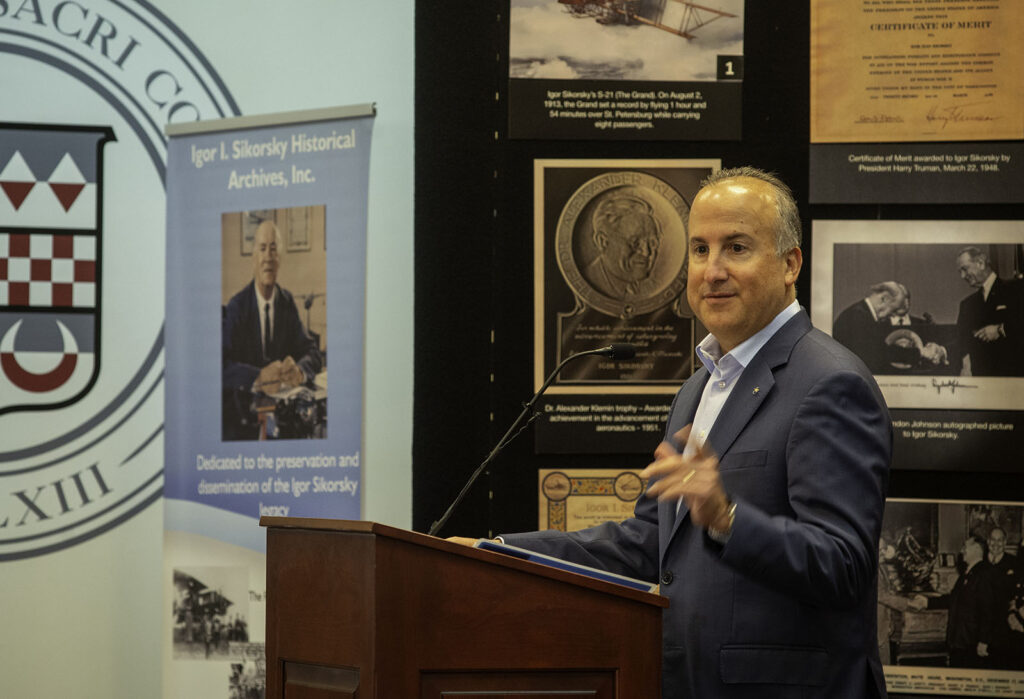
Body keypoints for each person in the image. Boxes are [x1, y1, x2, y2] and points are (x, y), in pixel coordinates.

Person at [453, 167, 892, 698]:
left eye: (736, 247)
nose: (713, 271)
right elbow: (651, 544)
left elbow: (843, 566)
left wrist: (727, 518)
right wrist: (499, 553)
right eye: (701, 250)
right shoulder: (698, 387)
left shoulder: (830, 383)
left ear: (789, 264)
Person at [222, 220, 323, 440]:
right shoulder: (237, 306)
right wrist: (257, 377)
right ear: (253, 258)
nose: (268, 256)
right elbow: (221, 365)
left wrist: (299, 370)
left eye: (274, 249)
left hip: (283, 423)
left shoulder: (286, 302)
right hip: (245, 425)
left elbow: (313, 352)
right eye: (262, 248)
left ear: (280, 260)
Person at [910, 535, 995, 668]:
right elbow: (953, 599)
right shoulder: (967, 573)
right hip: (960, 640)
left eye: (965, 547)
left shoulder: (984, 573)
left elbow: (988, 610)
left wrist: (984, 641)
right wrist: (927, 602)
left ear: (977, 549)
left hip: (971, 642)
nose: (962, 551)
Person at [954, 247, 1024, 376]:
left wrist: (1001, 329)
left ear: (980, 263)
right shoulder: (966, 305)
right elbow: (960, 342)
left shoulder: (1017, 289)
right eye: (960, 272)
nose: (963, 276)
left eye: (965, 269)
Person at [583, 191, 663, 300]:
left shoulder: (651, 288)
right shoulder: (590, 280)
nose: (647, 252)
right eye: (635, 242)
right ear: (602, 241)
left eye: (652, 243)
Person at [832, 281, 908, 371]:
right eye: (893, 310)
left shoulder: (861, 313)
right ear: (884, 299)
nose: (893, 316)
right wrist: (920, 353)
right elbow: (878, 353)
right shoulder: (859, 316)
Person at [986, 527, 1020, 668]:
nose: (996, 543)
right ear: (988, 542)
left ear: (1005, 543)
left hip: (1006, 627)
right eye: (993, 539)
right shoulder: (980, 563)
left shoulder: (1015, 563)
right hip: (983, 625)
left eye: (1000, 540)